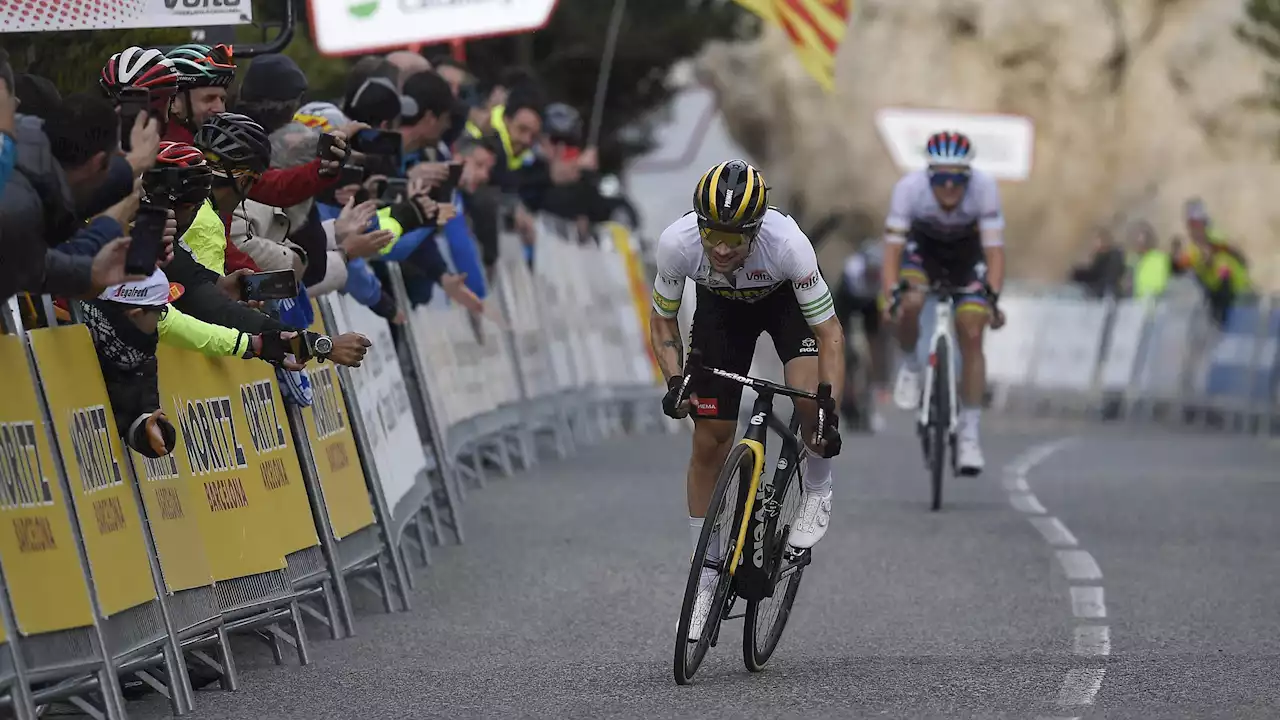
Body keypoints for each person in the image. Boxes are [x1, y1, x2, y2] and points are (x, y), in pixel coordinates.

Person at [650, 159, 844, 640]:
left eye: (734, 240)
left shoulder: (788, 246)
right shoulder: (678, 245)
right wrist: (675, 381)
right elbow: (661, 323)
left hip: (785, 307)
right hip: (720, 313)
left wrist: (827, 409)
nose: (719, 247)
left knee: (806, 406)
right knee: (710, 440)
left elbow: (830, 333)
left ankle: (818, 490)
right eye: (712, 233)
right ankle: (707, 575)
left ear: (755, 232)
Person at [880, 131, 1005, 476]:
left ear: (969, 176)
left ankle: (969, 432)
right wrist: (890, 293)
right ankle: (910, 364)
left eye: (957, 179)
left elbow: (994, 253)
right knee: (909, 302)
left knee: (972, 331)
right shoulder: (909, 189)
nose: (949, 187)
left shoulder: (985, 189)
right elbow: (892, 251)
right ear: (928, 174)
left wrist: (992, 298)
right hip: (923, 253)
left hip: (968, 258)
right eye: (941, 178)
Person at [833, 238, 887, 430]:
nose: (873, 274)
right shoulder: (852, 270)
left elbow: (882, 309)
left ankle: (871, 391)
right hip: (847, 299)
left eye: (876, 272)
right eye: (870, 271)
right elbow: (841, 311)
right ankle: (845, 394)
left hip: (871, 302)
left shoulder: (884, 275)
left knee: (876, 346)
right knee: (841, 346)